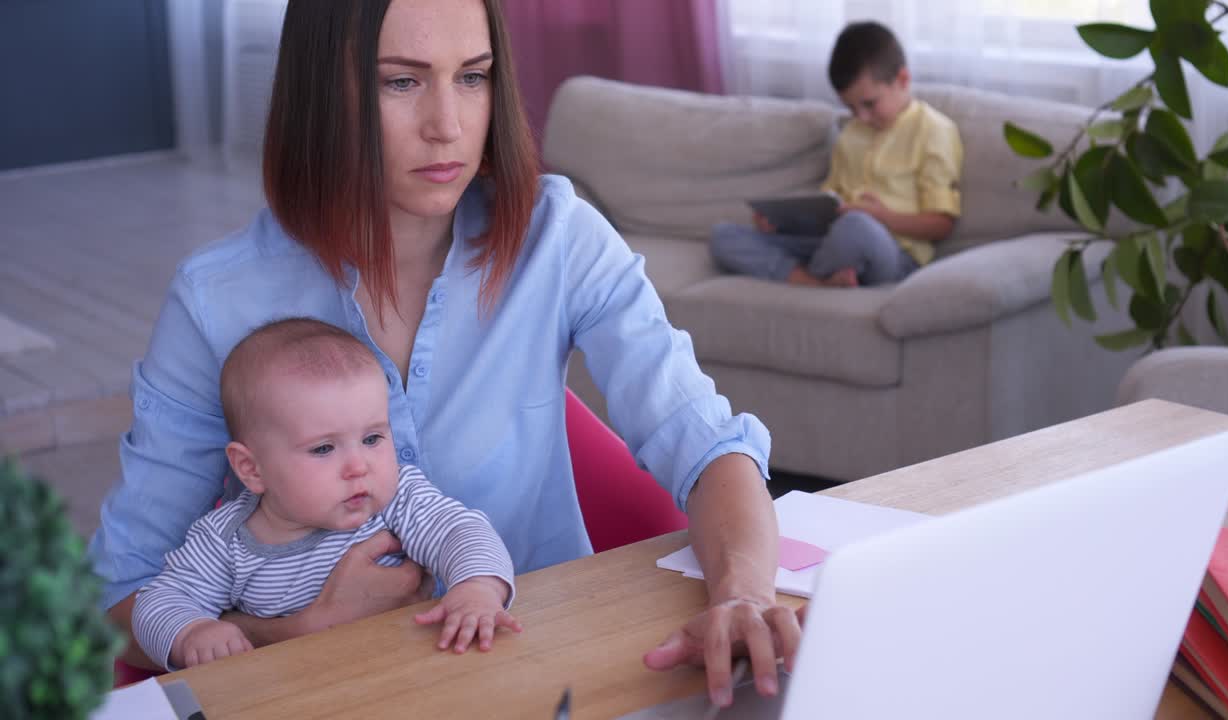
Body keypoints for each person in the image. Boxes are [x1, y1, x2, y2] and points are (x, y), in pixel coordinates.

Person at [88, 0, 798, 708]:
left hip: (559, 669)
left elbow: (705, 445)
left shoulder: (558, 238)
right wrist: (301, 629)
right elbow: (121, 593)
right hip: (330, 696)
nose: (448, 127)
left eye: (473, 77)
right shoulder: (219, 300)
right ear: (322, 94)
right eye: (402, 81)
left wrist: (744, 594)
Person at [132, 319, 519, 670]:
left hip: (412, 680)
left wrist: (477, 588)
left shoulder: (397, 499)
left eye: (372, 439)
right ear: (252, 469)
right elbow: (158, 601)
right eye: (323, 449)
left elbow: (461, 532)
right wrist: (192, 633)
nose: (358, 467)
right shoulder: (225, 542)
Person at [709, 21, 964, 288]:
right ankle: (818, 281)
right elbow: (831, 206)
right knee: (723, 236)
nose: (861, 117)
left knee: (856, 226)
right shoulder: (851, 134)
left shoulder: (935, 130)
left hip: (892, 252)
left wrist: (881, 216)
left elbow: (942, 224)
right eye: (852, 108)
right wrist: (784, 224)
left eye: (869, 104)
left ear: (902, 80)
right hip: (832, 241)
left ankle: (808, 273)